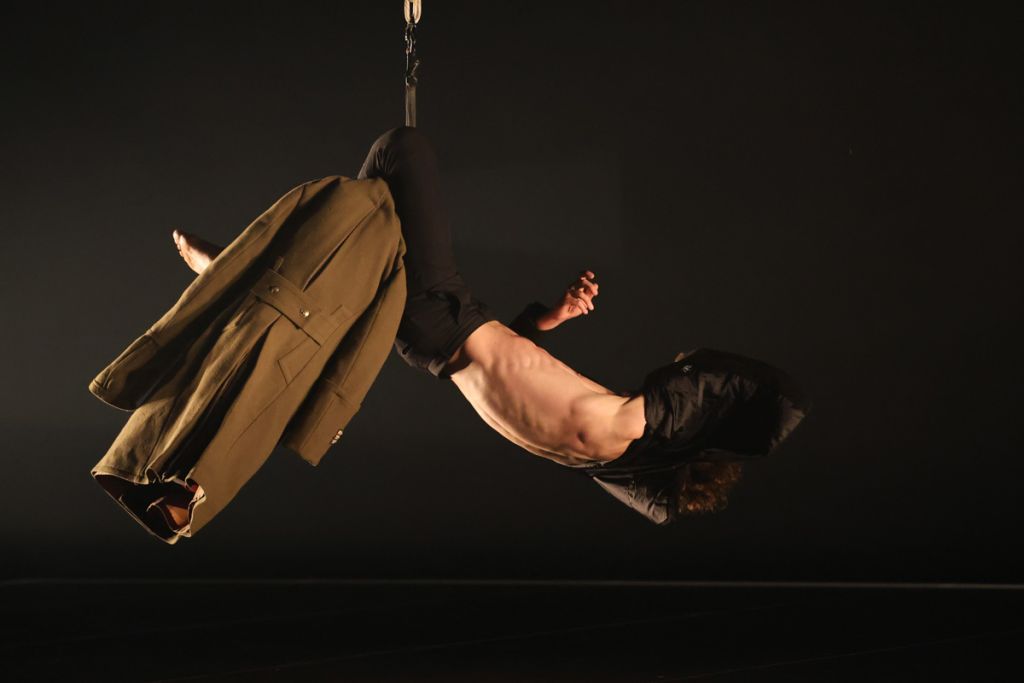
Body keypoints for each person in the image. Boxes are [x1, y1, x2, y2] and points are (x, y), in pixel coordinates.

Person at [167, 126, 808, 527]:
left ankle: (239, 270)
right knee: (350, 260)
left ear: (687, 434)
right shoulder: (592, 454)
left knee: (401, 151)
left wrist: (746, 399)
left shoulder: (622, 425)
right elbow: (517, 376)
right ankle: (235, 272)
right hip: (439, 337)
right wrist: (553, 316)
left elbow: (704, 382)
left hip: (444, 316)